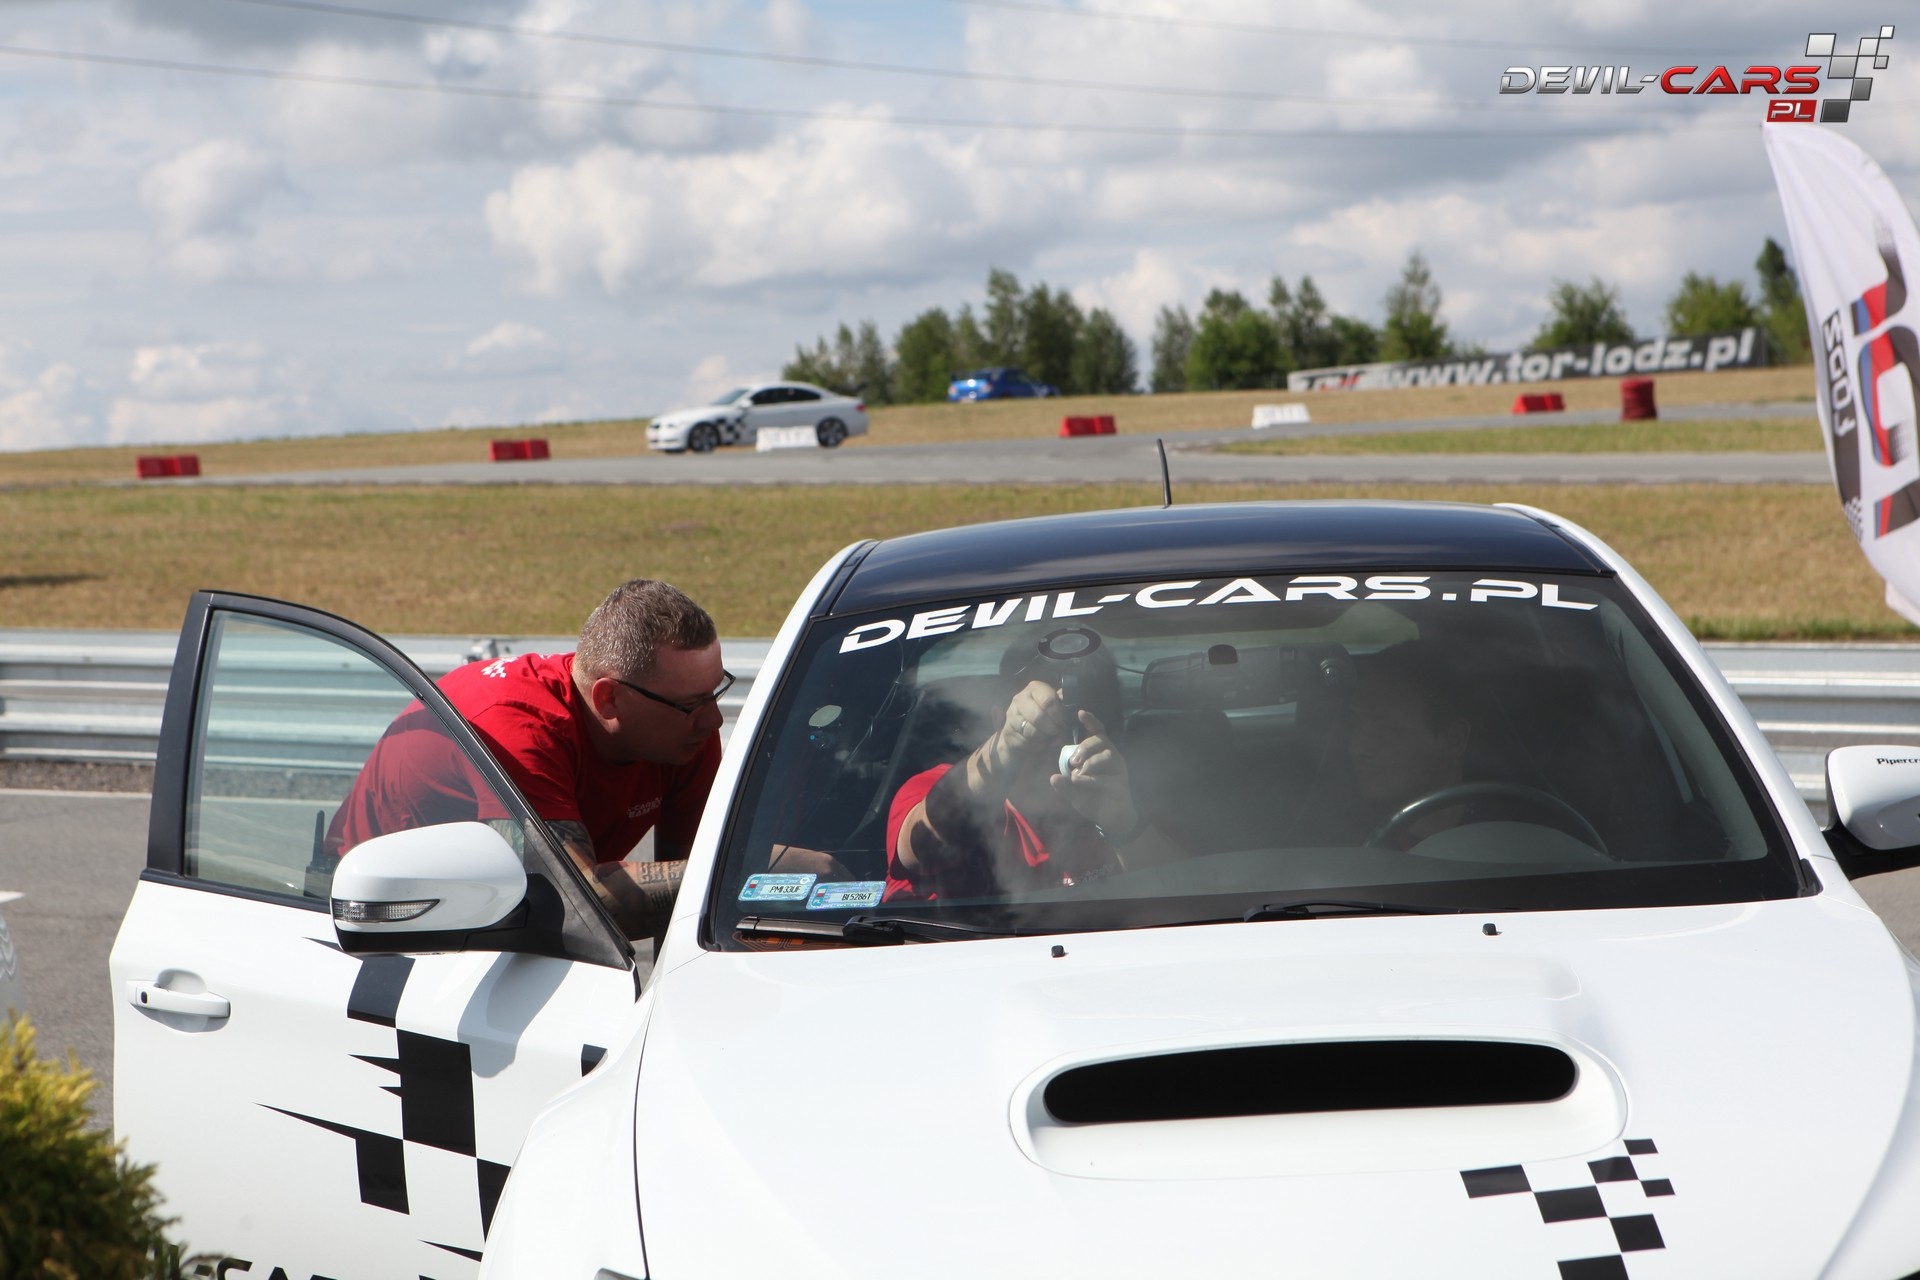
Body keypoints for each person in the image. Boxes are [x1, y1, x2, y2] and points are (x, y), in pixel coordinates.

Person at [329, 578, 733, 939]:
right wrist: (746, 877)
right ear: (608, 699)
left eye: (716, 692)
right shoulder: (517, 731)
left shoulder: (683, 732)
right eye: (692, 704)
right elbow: (574, 904)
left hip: (482, 913)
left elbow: (690, 911)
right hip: (368, 920)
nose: (713, 720)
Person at [884, 670, 1184, 902]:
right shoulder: (938, 789)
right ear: (1001, 718)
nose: (1063, 737)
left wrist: (1123, 825)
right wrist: (1006, 746)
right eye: (1046, 718)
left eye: (1079, 720)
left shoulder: (1128, 792)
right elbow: (923, 846)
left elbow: (1186, 903)